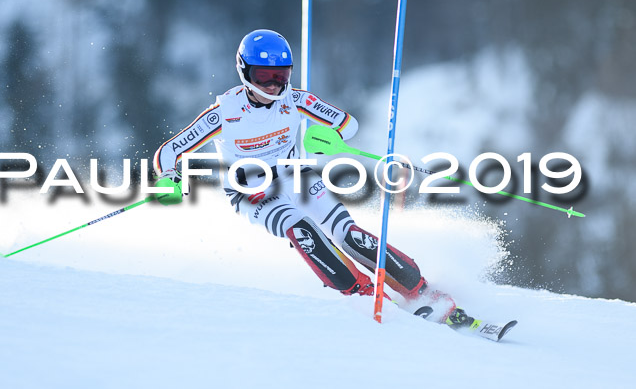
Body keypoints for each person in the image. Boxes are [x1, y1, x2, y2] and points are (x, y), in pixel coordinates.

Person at [153, 29, 471, 326]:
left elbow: (349, 125)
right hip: (253, 193)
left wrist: (330, 137)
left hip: (297, 178)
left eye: (281, 75)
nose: (273, 86)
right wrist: (170, 176)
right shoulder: (224, 113)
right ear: (245, 72)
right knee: (301, 228)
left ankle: (423, 291)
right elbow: (169, 152)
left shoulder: (296, 100)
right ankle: (365, 295)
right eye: (264, 77)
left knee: (347, 233)